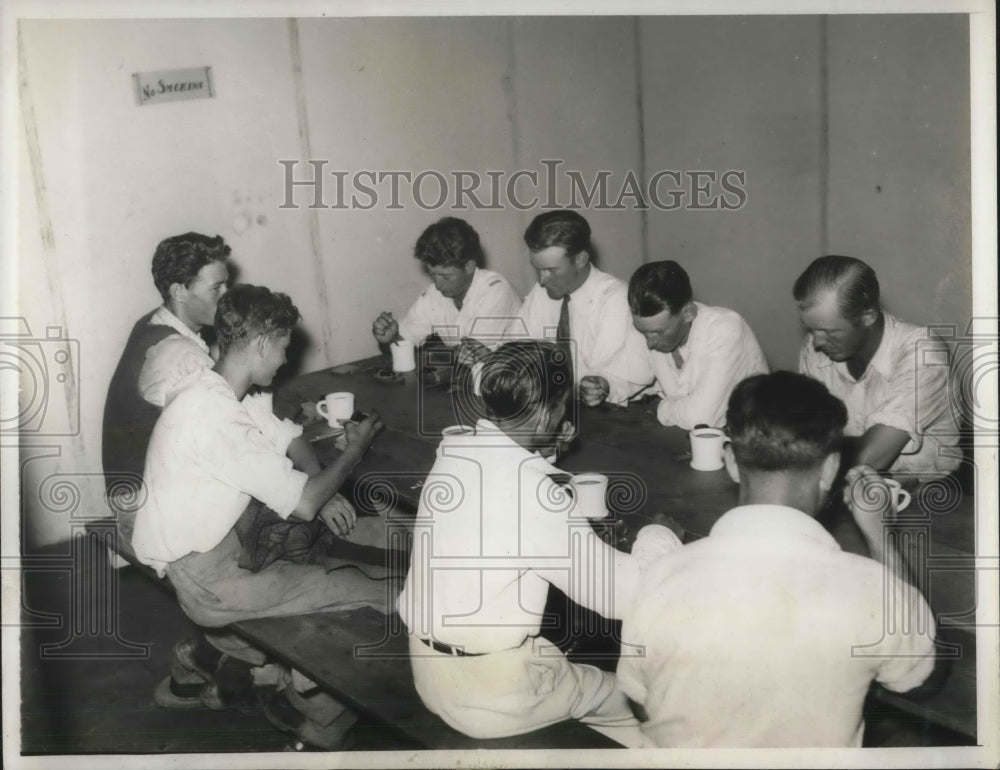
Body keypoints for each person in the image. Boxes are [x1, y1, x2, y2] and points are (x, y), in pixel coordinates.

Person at [617, 372, 937, 747]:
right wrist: (882, 537)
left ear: (732, 461)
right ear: (831, 469)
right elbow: (920, 679)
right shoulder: (870, 590)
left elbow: (642, 703)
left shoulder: (662, 575)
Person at [132, 284, 391, 748]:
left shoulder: (213, 390)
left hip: (206, 558)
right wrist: (355, 447)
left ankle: (232, 666)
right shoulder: (218, 418)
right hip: (208, 578)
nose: (285, 360)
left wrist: (318, 482)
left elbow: (280, 446)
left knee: (330, 561)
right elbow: (308, 501)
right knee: (371, 592)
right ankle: (319, 717)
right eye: (284, 348)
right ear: (259, 345)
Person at [396, 340, 681, 742]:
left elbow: (500, 489)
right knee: (647, 708)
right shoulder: (537, 497)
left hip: (429, 670)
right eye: (563, 405)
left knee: (565, 661)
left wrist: (540, 454)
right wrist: (660, 534)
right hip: (492, 697)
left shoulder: (453, 451)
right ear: (549, 410)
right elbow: (623, 597)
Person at [794, 255, 961, 478]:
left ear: (868, 316)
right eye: (811, 329)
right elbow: (804, 439)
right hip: (845, 490)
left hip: (932, 503)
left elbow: (869, 459)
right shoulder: (816, 349)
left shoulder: (923, 353)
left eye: (830, 331)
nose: (816, 342)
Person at [102, 232, 230, 495]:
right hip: (147, 504)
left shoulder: (153, 323)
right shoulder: (179, 353)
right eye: (217, 288)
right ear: (179, 292)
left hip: (138, 490)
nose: (227, 296)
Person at [506, 210, 652, 407]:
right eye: (538, 269)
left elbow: (637, 372)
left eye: (551, 270)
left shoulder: (616, 298)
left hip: (617, 414)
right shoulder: (541, 293)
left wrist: (605, 385)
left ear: (581, 260)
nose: (542, 280)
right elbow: (518, 350)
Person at [628, 260, 768, 429]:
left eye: (658, 332)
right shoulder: (656, 330)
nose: (650, 343)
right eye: (642, 331)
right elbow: (633, 373)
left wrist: (663, 407)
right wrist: (605, 383)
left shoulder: (727, 329)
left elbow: (701, 419)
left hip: (753, 439)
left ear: (688, 313)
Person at [371, 217, 521, 365]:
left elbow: (473, 357)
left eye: (445, 276)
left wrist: (434, 355)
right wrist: (390, 339)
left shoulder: (496, 291)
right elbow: (404, 343)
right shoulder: (434, 295)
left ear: (469, 266)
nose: (438, 285)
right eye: (432, 274)